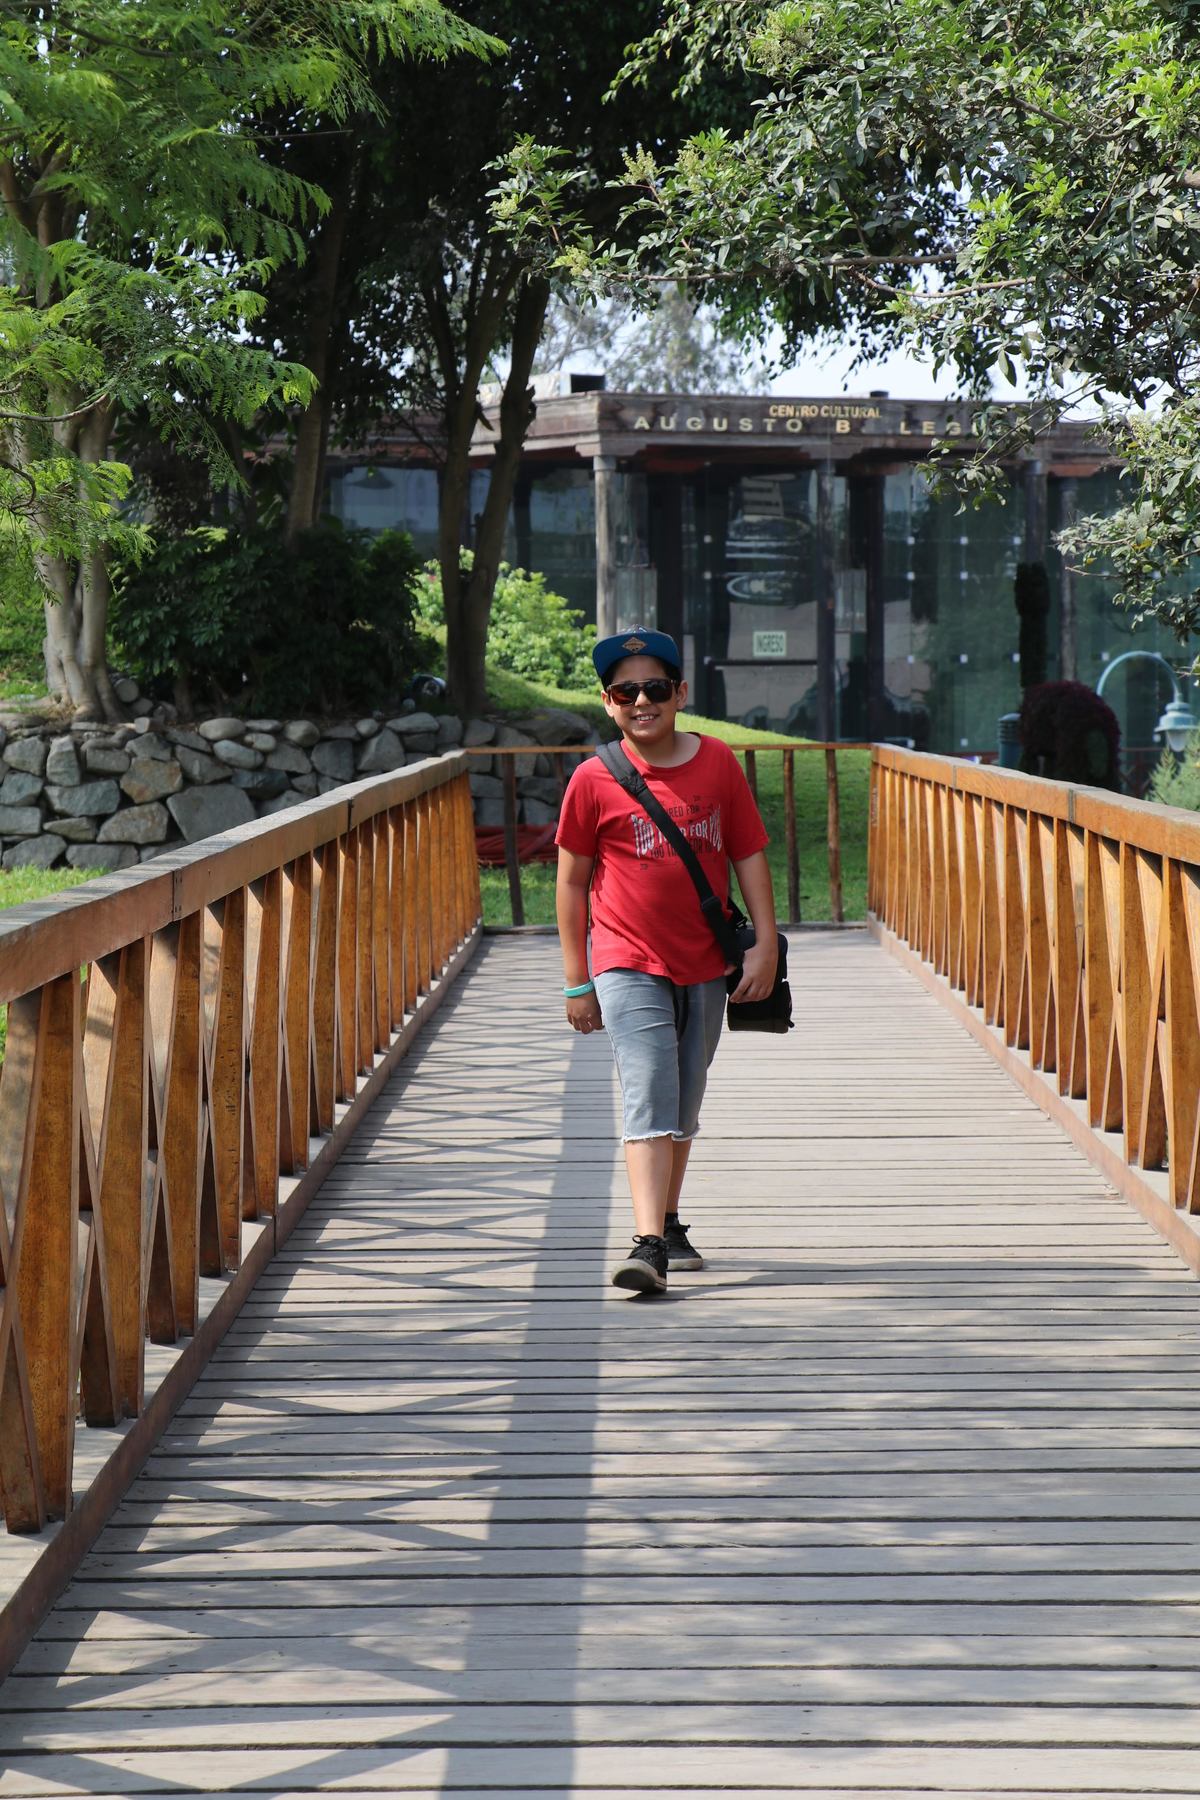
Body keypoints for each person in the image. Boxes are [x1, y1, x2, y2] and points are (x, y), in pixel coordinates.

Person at [555, 627, 780, 1294]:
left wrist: (766, 943)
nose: (641, 702)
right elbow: (570, 882)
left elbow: (748, 852)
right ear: (608, 702)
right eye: (625, 692)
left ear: (680, 693)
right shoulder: (593, 779)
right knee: (650, 1087)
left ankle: (671, 1221)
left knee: (686, 1092)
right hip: (625, 957)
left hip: (705, 960)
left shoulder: (717, 763)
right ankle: (648, 1243)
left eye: (654, 688)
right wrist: (576, 981)